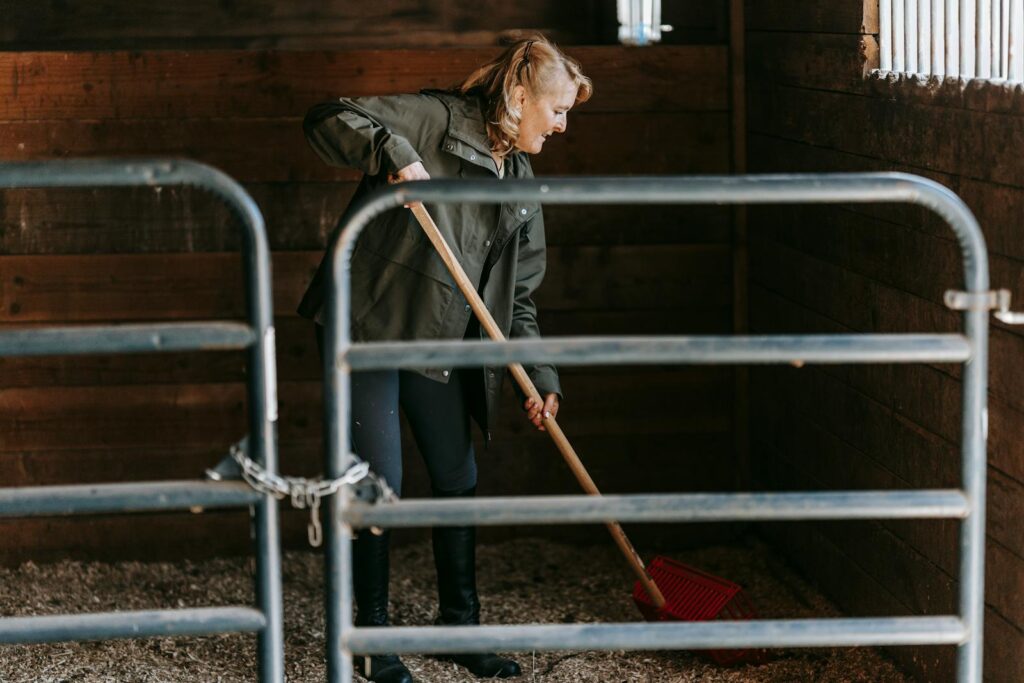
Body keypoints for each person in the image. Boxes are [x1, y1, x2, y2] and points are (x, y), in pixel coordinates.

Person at [299, 35, 592, 683]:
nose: (563, 124)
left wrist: (538, 376)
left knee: (456, 476)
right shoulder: (435, 120)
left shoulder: (518, 182)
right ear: (520, 97)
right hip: (365, 325)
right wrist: (392, 152)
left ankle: (459, 624)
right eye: (558, 109)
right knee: (380, 484)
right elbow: (328, 116)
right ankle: (370, 640)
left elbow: (518, 297)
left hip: (437, 337)